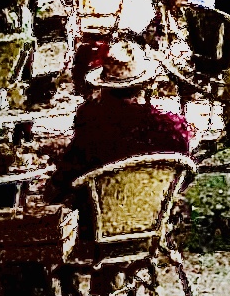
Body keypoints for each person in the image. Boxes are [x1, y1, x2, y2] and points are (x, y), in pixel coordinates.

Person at [54, 43, 194, 192]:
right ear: (147, 84)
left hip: (102, 211)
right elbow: (184, 180)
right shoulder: (173, 128)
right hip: (154, 210)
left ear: (105, 87)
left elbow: (64, 180)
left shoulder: (91, 122)